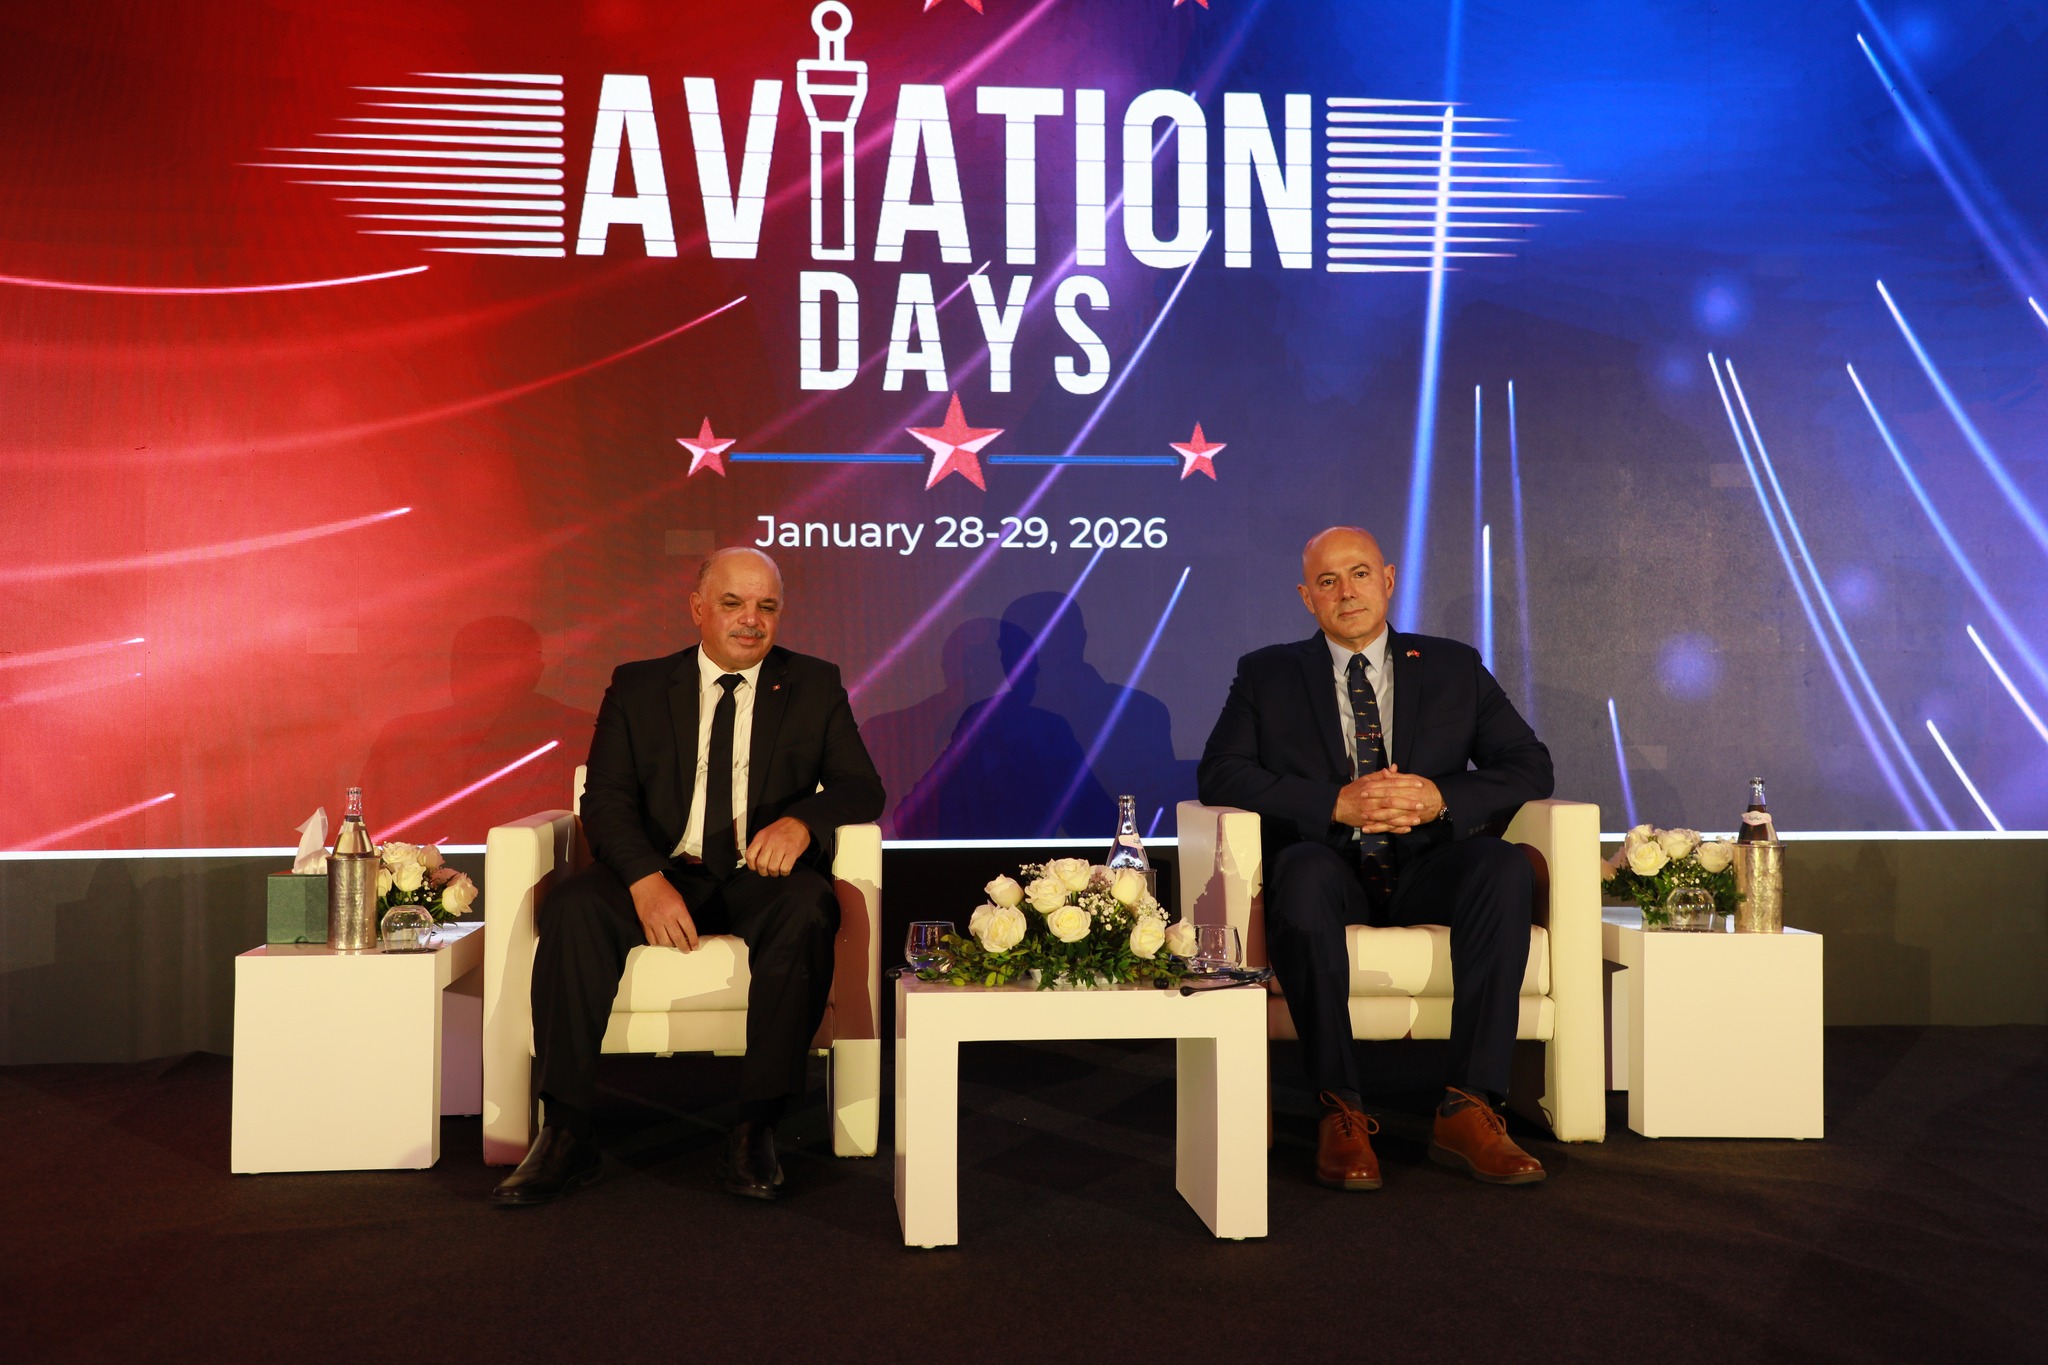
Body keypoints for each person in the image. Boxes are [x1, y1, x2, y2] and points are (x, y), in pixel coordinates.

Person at [490, 548, 884, 1207]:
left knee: (808, 906)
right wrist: (645, 879)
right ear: (698, 609)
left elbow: (862, 787)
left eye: (766, 606)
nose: (751, 619)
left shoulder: (814, 684)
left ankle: (756, 1125)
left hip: (759, 874)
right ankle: (566, 1129)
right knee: (575, 907)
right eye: (733, 603)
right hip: (660, 866)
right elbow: (605, 798)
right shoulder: (639, 685)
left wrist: (803, 822)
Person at [1196, 526, 1554, 1190]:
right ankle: (1341, 1109)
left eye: (1359, 574)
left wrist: (1440, 796)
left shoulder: (1452, 665)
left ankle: (1470, 1106)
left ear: (1387, 580)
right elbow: (1220, 773)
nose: (1346, 592)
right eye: (1327, 581)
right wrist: (1335, 803)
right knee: (1300, 872)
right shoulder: (1267, 674)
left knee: (1502, 866)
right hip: (1330, 866)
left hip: (1427, 866)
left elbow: (1530, 764)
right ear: (1307, 597)